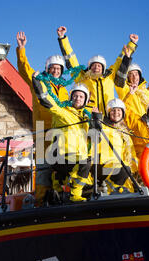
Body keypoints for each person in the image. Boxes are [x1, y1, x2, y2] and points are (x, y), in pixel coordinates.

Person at [16, 31, 69, 205]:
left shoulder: (65, 90)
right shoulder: (38, 81)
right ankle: (40, 202)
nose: (55, 70)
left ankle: (61, 199)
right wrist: (21, 49)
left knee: (61, 167)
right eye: (53, 68)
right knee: (43, 170)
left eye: (58, 68)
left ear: (61, 71)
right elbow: (25, 70)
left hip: (59, 133)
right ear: (47, 69)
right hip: (41, 132)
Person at [32, 72, 93, 202]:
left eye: (81, 97)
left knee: (88, 179)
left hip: (76, 157)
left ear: (86, 100)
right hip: (62, 155)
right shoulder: (62, 112)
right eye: (75, 96)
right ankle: (70, 193)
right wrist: (37, 82)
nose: (77, 98)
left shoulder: (87, 118)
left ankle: (60, 186)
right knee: (85, 163)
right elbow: (45, 99)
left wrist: (97, 119)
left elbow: (96, 135)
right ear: (71, 98)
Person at [56, 26, 138, 116]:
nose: (96, 67)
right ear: (89, 67)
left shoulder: (110, 76)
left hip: (108, 116)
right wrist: (62, 38)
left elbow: (121, 59)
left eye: (99, 66)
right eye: (93, 65)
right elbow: (71, 59)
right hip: (89, 118)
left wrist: (132, 44)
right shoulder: (82, 77)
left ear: (103, 68)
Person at [93, 98, 138, 194]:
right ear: (109, 113)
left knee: (127, 177)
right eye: (113, 110)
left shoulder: (124, 133)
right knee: (122, 170)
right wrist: (95, 119)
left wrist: (135, 170)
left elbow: (130, 154)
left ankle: (123, 196)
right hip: (102, 164)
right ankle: (110, 193)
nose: (116, 113)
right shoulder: (102, 126)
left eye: (119, 110)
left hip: (120, 166)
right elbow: (94, 136)